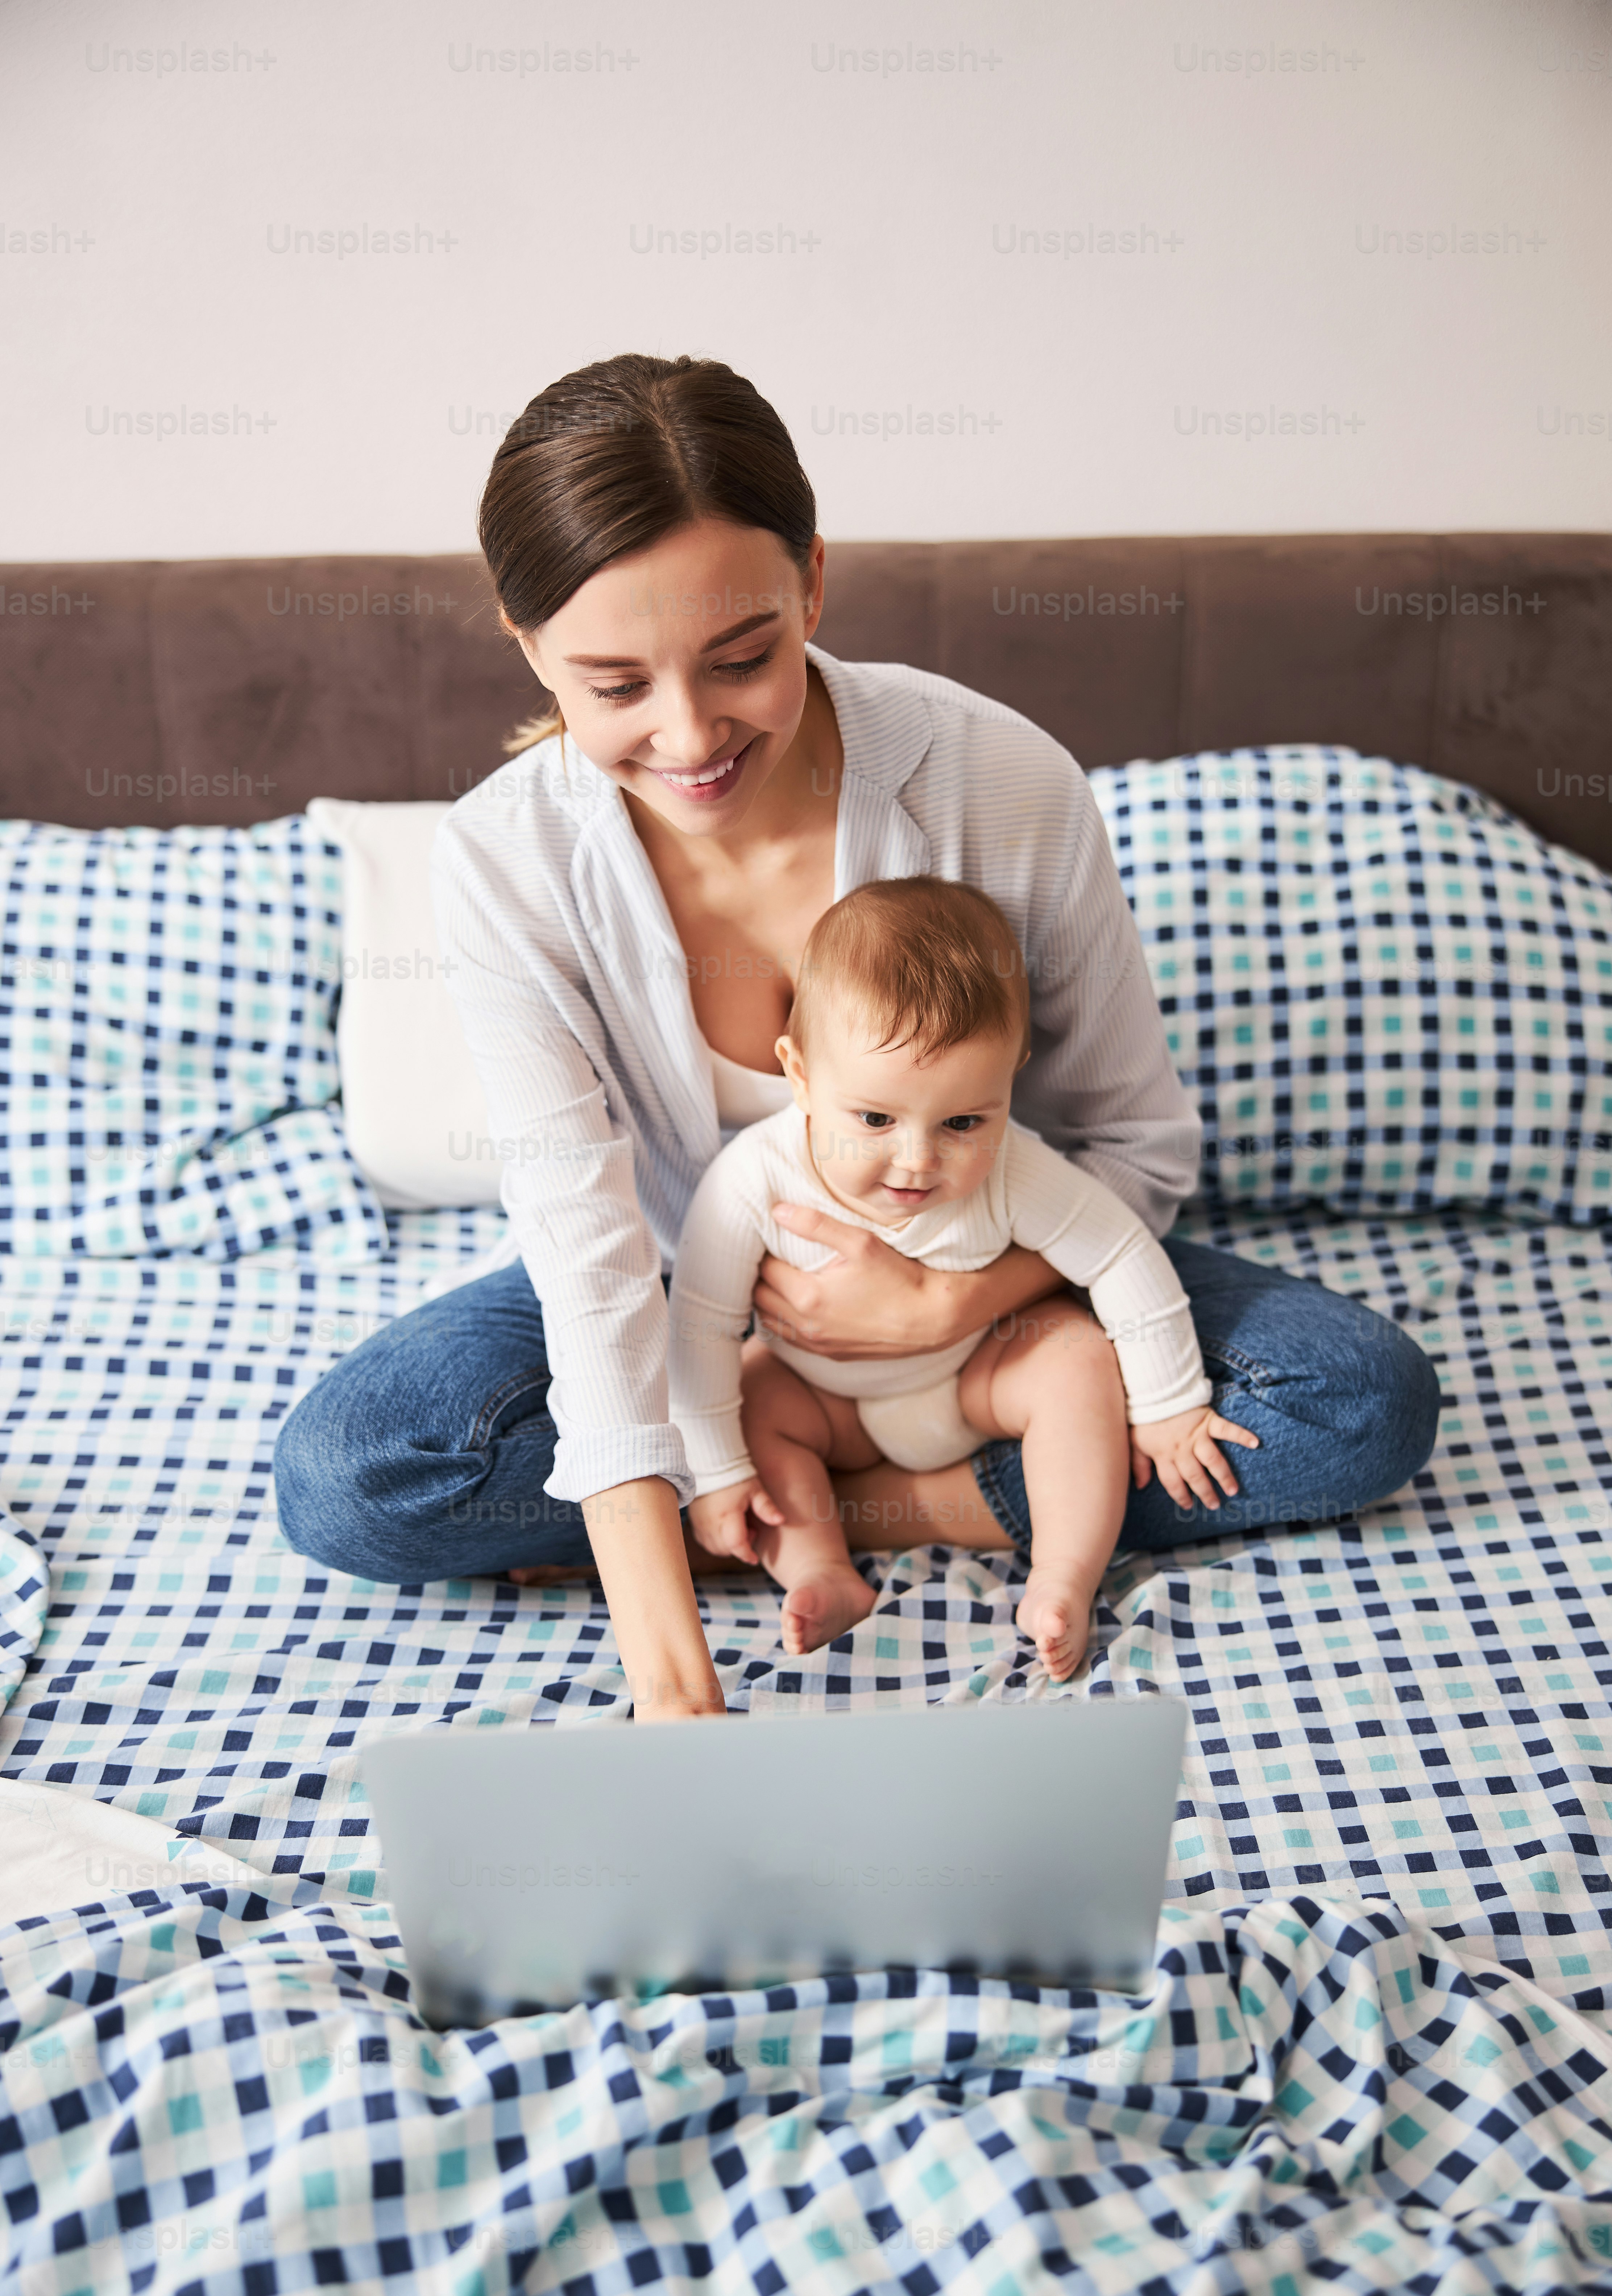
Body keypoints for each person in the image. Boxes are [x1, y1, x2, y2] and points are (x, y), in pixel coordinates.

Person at [272, 351, 1441, 1722]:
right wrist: (669, 1687)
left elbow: (1128, 1135)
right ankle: (763, 1491)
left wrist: (957, 1299)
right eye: (613, 687)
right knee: (353, 1476)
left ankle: (876, 1508)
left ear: (812, 583)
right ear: (527, 647)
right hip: (671, 1283)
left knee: (1355, 1401)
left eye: (741, 659)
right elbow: (585, 1261)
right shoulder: (504, 857)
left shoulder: (993, 777)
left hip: (1002, 1256)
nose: (689, 735)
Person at [669, 876, 1258, 1682]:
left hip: (974, 1379)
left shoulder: (1015, 1165)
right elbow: (698, 1323)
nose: (917, 1160)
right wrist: (715, 1471)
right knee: (749, 1393)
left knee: (1077, 1355)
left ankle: (1062, 1578)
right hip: (822, 1401)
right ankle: (820, 1568)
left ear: (1011, 1077)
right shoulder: (749, 1180)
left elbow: (1119, 1253)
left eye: (963, 1122)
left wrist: (1167, 1405)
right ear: (799, 1074)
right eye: (875, 1120)